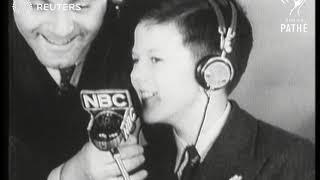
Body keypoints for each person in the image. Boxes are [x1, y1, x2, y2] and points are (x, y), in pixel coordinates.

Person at [128, 0, 315, 179]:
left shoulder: (293, 162)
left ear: (213, 70)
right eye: (136, 60)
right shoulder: (135, 167)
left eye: (155, 60)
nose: (135, 75)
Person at [9, 0, 143, 180]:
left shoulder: (144, 35)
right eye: (40, 5)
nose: (62, 30)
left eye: (80, 6)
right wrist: (73, 174)